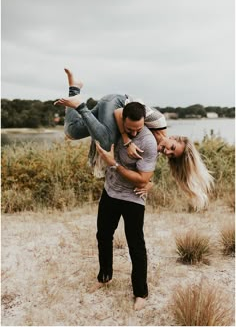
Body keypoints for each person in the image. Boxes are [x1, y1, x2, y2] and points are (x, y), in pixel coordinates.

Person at [54, 69, 214, 208]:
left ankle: (74, 88)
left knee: (72, 131)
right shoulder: (158, 120)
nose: (167, 151)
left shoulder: (154, 149)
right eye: (172, 147)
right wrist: (127, 140)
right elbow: (119, 113)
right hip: (116, 103)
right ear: (174, 138)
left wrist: (148, 185)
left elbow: (147, 172)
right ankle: (81, 105)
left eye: (171, 155)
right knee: (106, 144)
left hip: (108, 108)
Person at [94, 101, 157, 310]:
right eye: (130, 128)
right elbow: (117, 110)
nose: (135, 131)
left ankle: (140, 293)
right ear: (124, 122)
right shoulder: (120, 123)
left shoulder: (148, 141)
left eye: (138, 128)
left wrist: (114, 164)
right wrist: (124, 137)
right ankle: (104, 277)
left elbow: (142, 180)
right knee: (103, 235)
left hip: (133, 198)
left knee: (135, 244)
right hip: (110, 191)